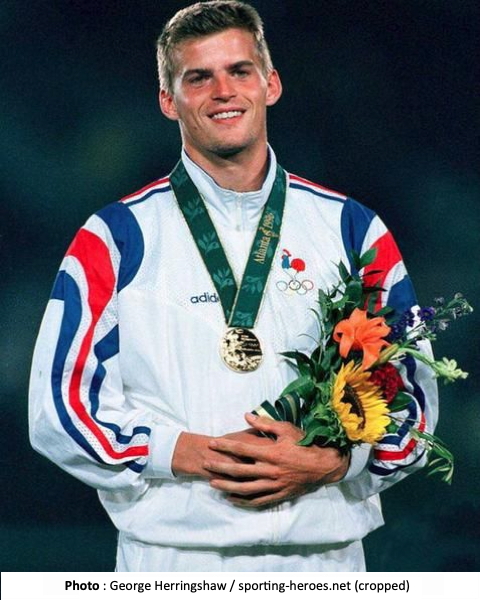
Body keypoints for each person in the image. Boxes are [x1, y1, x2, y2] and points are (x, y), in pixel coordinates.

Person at [29, 0, 438, 572]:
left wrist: (337, 462)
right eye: (199, 77)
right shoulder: (116, 237)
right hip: (172, 562)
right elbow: (60, 406)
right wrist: (187, 453)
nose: (223, 91)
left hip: (325, 563)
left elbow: (413, 398)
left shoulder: (352, 229)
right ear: (168, 100)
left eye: (239, 71)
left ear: (270, 84)